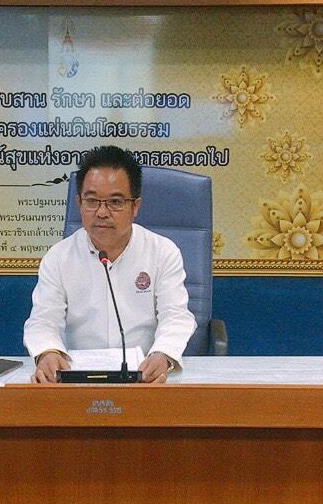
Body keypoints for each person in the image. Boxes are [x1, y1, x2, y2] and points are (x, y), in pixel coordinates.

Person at [24, 146, 197, 384]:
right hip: (78, 382)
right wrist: (48, 352)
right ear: (79, 203)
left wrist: (163, 355)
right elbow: (43, 320)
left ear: (135, 206)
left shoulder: (163, 252)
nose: (102, 212)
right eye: (92, 201)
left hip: (144, 380)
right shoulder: (58, 257)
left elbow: (176, 316)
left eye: (115, 202)